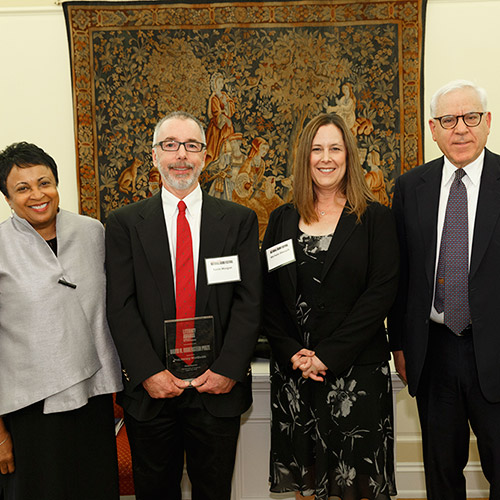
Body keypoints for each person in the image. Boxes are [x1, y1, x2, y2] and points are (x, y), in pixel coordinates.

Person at [105, 111, 261, 500]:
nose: (181, 156)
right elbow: (120, 305)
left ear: (205, 158)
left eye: (192, 146)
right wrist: (149, 373)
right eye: (170, 145)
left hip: (217, 390)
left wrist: (227, 370)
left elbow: (249, 301)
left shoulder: (238, 221)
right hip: (152, 390)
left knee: (214, 492)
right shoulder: (124, 224)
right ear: (154, 156)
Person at [261, 113, 399, 500]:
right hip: (297, 376)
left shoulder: (376, 219)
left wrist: (328, 356)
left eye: (335, 148)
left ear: (348, 156)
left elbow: (380, 295)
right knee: (307, 484)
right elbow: (269, 297)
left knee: (357, 486)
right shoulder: (281, 220)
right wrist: (293, 353)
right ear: (305, 157)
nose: (326, 158)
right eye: (317, 149)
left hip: (356, 376)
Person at [388, 80, 500, 500]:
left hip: (495, 352)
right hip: (433, 353)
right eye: (448, 120)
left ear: (487, 123)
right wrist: (398, 343)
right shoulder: (409, 188)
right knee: (442, 476)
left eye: (471, 117)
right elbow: (400, 277)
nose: (460, 129)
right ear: (432, 129)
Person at [0, 142, 122, 500]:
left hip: (93, 399)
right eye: (22, 188)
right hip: (29, 410)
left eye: (45, 182)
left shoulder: (92, 233)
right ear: (7, 197)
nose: (37, 194)